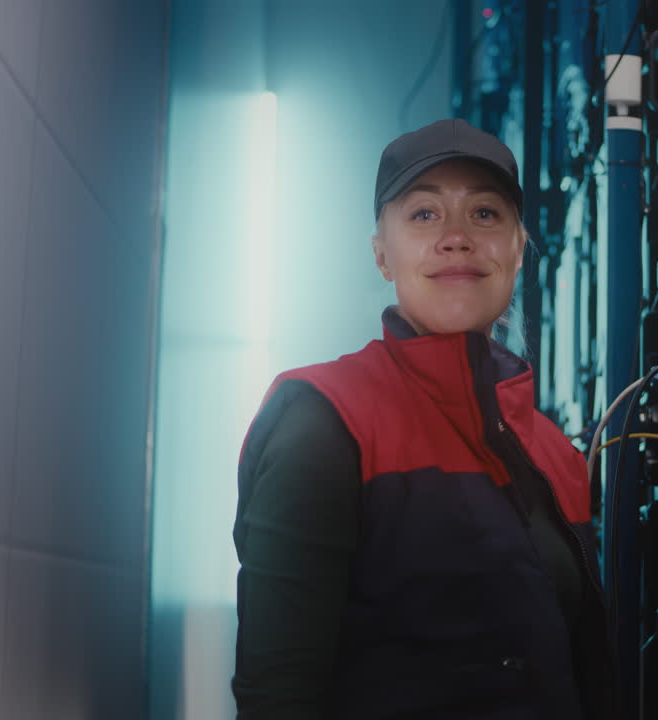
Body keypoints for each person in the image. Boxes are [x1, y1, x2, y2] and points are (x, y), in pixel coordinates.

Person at [232, 118, 615, 719]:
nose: (457, 237)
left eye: (485, 214)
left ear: (518, 249)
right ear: (381, 253)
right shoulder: (325, 420)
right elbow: (276, 698)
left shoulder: (554, 456)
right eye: (424, 214)